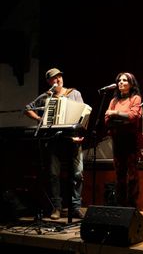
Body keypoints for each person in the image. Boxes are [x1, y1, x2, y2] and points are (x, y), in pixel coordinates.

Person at [24, 68, 85, 219]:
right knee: (53, 174)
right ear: (49, 81)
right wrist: (40, 120)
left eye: (59, 77)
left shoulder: (74, 93)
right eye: (54, 78)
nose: (58, 80)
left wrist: (81, 132)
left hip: (72, 139)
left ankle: (76, 207)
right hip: (54, 140)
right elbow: (27, 108)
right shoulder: (46, 97)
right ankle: (56, 207)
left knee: (78, 173)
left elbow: (83, 113)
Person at [104, 72, 142, 208]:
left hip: (130, 140)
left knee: (132, 174)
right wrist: (122, 119)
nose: (121, 82)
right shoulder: (113, 101)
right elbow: (106, 120)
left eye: (125, 80)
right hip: (117, 139)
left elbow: (133, 116)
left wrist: (116, 114)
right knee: (119, 173)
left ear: (131, 84)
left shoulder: (135, 98)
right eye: (119, 80)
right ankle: (120, 205)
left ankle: (132, 205)